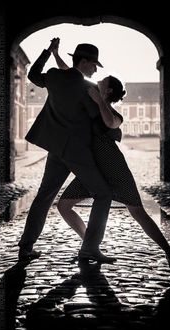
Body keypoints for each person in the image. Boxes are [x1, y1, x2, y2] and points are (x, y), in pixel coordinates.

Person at [54, 46, 170, 274]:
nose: (97, 81)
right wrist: (56, 55)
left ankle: (169, 252)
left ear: (108, 91)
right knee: (63, 205)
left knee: (138, 212)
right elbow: (71, 74)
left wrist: (100, 100)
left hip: (115, 167)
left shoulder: (114, 114)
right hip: (93, 169)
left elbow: (109, 123)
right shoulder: (93, 98)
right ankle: (90, 244)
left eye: (102, 82)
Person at [18, 38, 115, 263]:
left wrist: (49, 52)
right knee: (103, 194)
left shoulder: (54, 77)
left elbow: (33, 75)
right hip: (78, 152)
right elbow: (98, 122)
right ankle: (90, 247)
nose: (95, 69)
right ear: (84, 62)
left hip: (56, 150)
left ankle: (25, 247)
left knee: (44, 197)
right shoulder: (88, 88)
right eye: (94, 65)